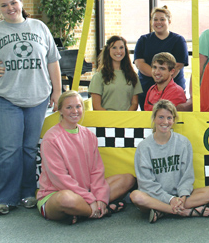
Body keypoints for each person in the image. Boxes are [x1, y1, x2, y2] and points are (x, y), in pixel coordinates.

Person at [0, 0, 62, 216]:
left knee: (29, 148)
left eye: (13, 3)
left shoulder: (39, 27)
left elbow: (53, 61)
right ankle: (5, 198)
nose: (10, 8)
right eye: (4, 5)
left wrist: (57, 92)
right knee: (10, 149)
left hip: (37, 97)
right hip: (4, 97)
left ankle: (28, 192)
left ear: (21, 3)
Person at [37, 91, 136, 224]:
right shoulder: (51, 139)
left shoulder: (88, 135)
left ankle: (83, 212)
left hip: (86, 192)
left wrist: (99, 197)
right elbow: (60, 179)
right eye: (69, 107)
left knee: (128, 179)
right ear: (60, 110)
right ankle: (101, 211)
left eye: (78, 106)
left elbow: (96, 171)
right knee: (66, 199)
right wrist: (90, 199)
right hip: (56, 194)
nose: (75, 111)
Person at [130, 100, 209, 223]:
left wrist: (182, 196)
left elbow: (187, 176)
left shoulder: (183, 143)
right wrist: (169, 199)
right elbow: (146, 184)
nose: (165, 122)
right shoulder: (144, 147)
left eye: (169, 118)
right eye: (161, 117)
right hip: (154, 197)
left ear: (174, 120)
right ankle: (182, 212)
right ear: (154, 118)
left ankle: (162, 211)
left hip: (178, 196)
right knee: (136, 196)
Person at [134, 6, 188, 110]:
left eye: (162, 19)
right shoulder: (143, 40)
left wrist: (160, 77)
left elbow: (178, 65)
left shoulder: (179, 40)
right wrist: (157, 75)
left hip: (172, 91)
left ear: (169, 21)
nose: (159, 22)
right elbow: (139, 63)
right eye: (155, 19)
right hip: (146, 89)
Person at [89, 35, 142, 111]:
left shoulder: (133, 76)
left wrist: (124, 118)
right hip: (106, 120)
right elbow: (96, 106)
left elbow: (134, 103)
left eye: (121, 47)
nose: (118, 51)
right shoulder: (98, 77)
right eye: (114, 47)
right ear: (108, 50)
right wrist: (113, 119)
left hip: (126, 120)